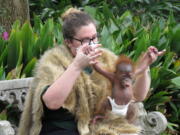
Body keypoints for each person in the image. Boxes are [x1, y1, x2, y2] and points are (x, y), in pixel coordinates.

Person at [17, 8, 166, 135]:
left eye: (94, 38)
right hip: (61, 129)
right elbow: (52, 102)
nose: (93, 45)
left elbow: (136, 96)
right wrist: (76, 66)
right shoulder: (53, 61)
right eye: (85, 40)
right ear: (68, 42)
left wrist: (145, 67)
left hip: (97, 127)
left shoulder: (106, 58)